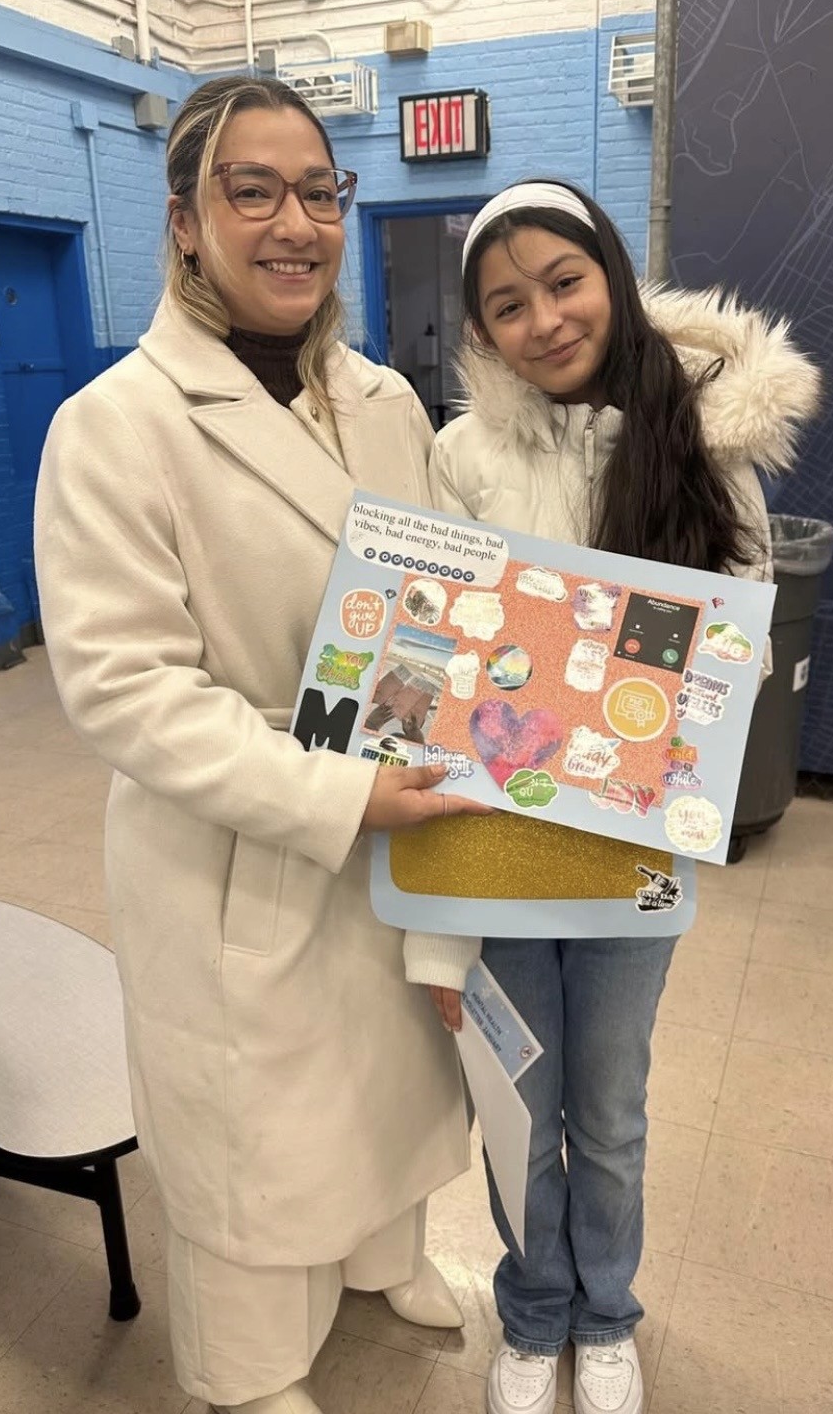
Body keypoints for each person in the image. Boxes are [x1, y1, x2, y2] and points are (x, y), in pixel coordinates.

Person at [34, 76, 491, 1414]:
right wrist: (337, 791)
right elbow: (124, 689)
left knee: (391, 1073)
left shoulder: (385, 399)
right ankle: (245, 1370)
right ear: (186, 221)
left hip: (394, 807)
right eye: (255, 191)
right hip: (242, 848)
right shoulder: (115, 428)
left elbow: (437, 597)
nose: (297, 222)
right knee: (258, 1125)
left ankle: (379, 1255)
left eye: (319, 191)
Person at [402, 181, 821, 1414]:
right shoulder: (461, 454)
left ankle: (606, 1311)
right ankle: (530, 1316)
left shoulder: (700, 441)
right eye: (505, 303)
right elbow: (425, 676)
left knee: (610, 1105)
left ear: (612, 274)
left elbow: (728, 653)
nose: (542, 318)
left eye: (562, 281)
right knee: (520, 1108)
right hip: (492, 847)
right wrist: (434, 919)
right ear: (480, 331)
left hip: (630, 857)